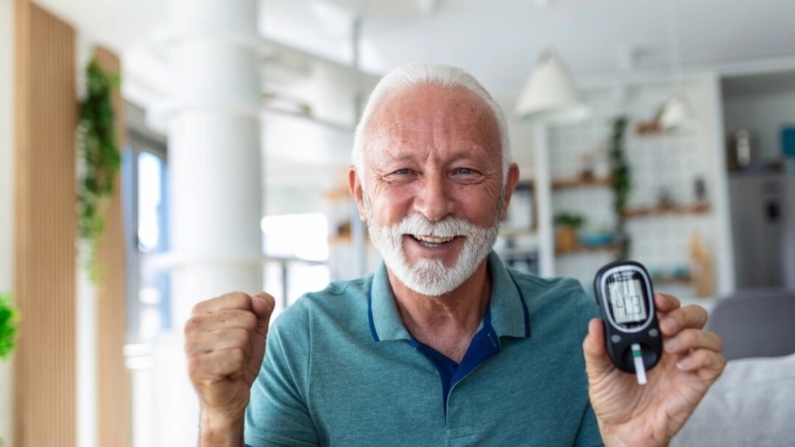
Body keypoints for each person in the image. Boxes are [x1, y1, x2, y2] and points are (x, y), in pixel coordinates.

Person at [184, 63, 726, 446]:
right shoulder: (303, 337)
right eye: (401, 172)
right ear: (361, 195)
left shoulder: (578, 328)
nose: (435, 204)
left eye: (465, 171)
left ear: (506, 192)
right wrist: (220, 422)